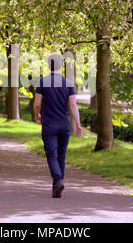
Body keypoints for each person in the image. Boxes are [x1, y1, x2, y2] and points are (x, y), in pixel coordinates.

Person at [33, 54, 83, 198]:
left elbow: (37, 104)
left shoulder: (43, 82)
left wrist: (37, 115)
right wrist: (78, 124)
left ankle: (58, 180)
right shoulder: (68, 83)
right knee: (61, 156)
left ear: (49, 65)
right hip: (64, 125)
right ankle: (57, 188)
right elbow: (73, 105)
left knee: (52, 155)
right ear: (61, 65)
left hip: (49, 125)